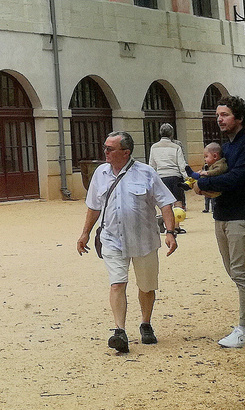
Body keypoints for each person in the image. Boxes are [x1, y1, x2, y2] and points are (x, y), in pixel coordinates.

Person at [76, 131, 178, 353]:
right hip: (112, 239)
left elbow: (166, 203)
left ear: (126, 152)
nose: (105, 152)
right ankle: (119, 331)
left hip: (144, 240)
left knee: (146, 286)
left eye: (110, 149)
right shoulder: (100, 174)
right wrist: (85, 233)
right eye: (105, 147)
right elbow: (93, 207)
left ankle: (145, 323)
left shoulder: (146, 173)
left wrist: (170, 232)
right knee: (117, 283)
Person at [196, 94, 245, 348]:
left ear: (239, 117)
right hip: (223, 214)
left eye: (225, 114)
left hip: (244, 214)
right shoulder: (225, 146)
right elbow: (219, 175)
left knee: (241, 272)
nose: (219, 119)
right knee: (235, 271)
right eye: (218, 115)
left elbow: (237, 179)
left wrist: (204, 182)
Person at [148, 123, 189, 232]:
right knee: (178, 202)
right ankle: (176, 226)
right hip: (175, 176)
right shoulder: (176, 147)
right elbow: (182, 164)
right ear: (172, 134)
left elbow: (152, 165)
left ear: (160, 133)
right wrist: (187, 178)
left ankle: (166, 225)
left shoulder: (154, 147)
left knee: (164, 203)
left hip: (161, 177)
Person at [186, 141, 227, 213]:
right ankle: (189, 183)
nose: (205, 159)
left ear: (215, 156)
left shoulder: (221, 164)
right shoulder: (210, 165)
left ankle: (193, 176)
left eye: (206, 156)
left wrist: (207, 173)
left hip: (217, 187)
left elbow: (217, 171)